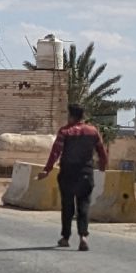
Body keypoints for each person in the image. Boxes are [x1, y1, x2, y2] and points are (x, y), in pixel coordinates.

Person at [41, 102, 109, 250]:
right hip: (85, 173)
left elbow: (55, 152)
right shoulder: (93, 131)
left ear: (71, 115)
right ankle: (83, 236)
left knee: (67, 206)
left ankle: (65, 237)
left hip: (67, 174)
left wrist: (47, 169)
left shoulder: (65, 132)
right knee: (83, 205)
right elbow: (101, 151)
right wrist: (103, 165)